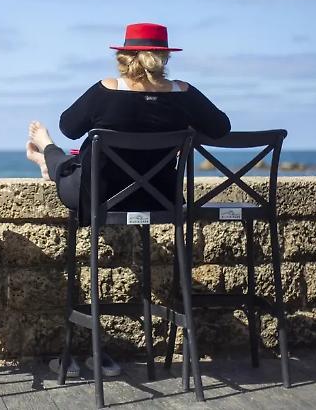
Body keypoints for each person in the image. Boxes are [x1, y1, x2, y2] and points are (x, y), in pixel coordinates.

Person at [26, 22, 230, 376]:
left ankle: (45, 153)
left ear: (124, 55)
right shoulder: (183, 92)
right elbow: (222, 127)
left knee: (66, 165)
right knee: (74, 166)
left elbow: (69, 125)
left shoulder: (106, 89)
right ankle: (52, 158)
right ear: (164, 57)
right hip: (160, 204)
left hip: (101, 201)